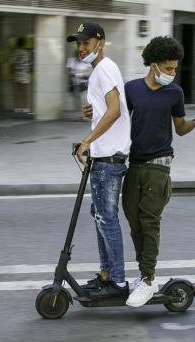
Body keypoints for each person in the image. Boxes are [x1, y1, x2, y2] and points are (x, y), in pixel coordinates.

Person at [121, 36, 195, 307]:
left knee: (149, 223)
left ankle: (148, 280)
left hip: (159, 167)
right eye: (169, 68)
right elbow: (116, 117)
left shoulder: (175, 94)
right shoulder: (132, 89)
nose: (172, 74)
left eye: (174, 69)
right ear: (153, 65)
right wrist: (92, 112)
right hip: (134, 165)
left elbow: (180, 129)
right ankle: (144, 276)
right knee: (134, 223)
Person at [68, 22, 132, 297]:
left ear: (100, 42)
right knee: (100, 216)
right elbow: (108, 108)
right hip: (104, 156)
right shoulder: (100, 71)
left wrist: (87, 141)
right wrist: (93, 112)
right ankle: (106, 274)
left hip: (108, 158)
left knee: (107, 219)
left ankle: (117, 281)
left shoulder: (104, 68)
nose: (81, 48)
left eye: (86, 42)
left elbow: (115, 110)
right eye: (78, 44)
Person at [66, 50, 92, 120]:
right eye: (80, 54)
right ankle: (78, 115)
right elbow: (69, 71)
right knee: (76, 101)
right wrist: (80, 73)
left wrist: (78, 73)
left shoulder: (87, 61)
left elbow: (89, 71)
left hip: (84, 83)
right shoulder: (72, 60)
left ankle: (85, 116)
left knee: (84, 100)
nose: (82, 55)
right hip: (75, 83)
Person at [11, 37, 32, 113]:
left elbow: (12, 63)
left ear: (17, 44)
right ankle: (25, 108)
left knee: (17, 92)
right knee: (24, 92)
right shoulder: (26, 52)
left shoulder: (15, 52)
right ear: (24, 44)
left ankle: (17, 107)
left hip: (17, 74)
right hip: (24, 74)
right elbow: (29, 64)